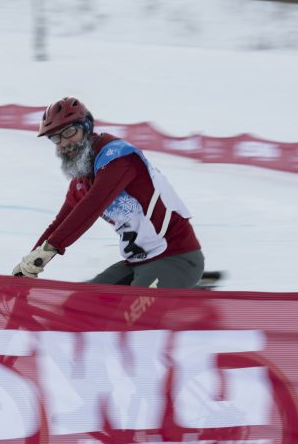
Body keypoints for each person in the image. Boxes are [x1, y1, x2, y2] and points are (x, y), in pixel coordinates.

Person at [14, 96, 204, 296]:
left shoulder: (118, 158)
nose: (64, 143)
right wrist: (27, 264)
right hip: (136, 264)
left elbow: (91, 207)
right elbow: (59, 224)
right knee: (76, 309)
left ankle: (190, 306)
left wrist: (48, 251)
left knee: (126, 318)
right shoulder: (82, 179)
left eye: (69, 132)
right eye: (55, 138)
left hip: (176, 259)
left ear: (86, 127)